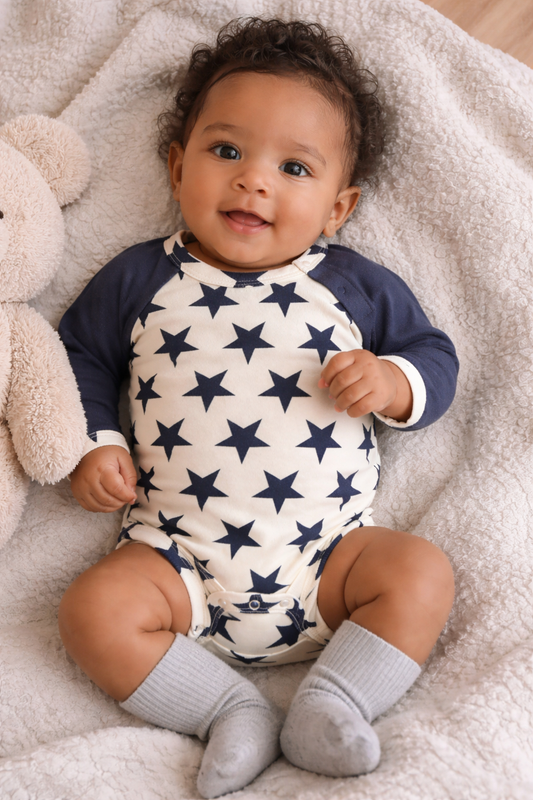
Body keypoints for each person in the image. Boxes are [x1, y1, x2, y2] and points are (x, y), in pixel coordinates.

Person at [58, 17, 457, 799]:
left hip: (330, 561)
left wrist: (391, 380)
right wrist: (97, 442)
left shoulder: (350, 285)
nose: (254, 181)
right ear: (177, 167)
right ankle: (227, 710)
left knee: (420, 572)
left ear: (338, 208)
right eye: (226, 151)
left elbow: (434, 355)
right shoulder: (140, 279)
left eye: (294, 167)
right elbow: (79, 356)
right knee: (91, 610)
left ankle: (333, 700)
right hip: (177, 560)